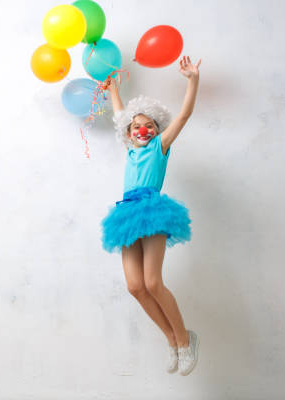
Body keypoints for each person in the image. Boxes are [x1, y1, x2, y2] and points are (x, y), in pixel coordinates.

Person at [101, 56, 201, 376]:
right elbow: (120, 116)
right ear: (129, 133)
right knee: (135, 287)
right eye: (135, 126)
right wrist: (114, 90)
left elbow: (184, 115)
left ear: (156, 129)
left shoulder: (160, 145)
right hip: (127, 213)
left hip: (153, 210)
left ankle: (185, 340)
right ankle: (171, 339)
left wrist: (192, 80)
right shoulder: (130, 149)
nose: (142, 129)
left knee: (153, 282)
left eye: (148, 125)